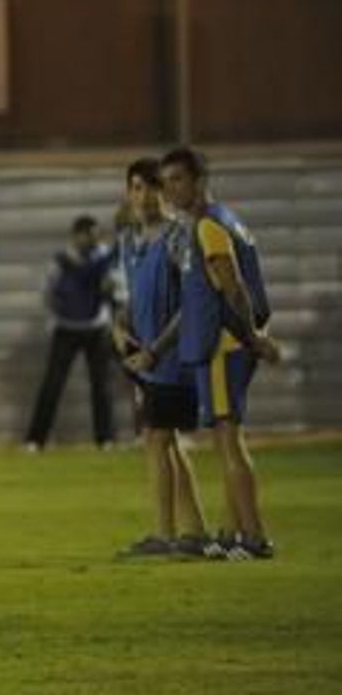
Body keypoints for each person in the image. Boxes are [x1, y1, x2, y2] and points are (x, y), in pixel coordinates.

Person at [156, 148, 281, 560]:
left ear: (200, 180)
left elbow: (234, 288)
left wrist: (254, 339)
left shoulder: (209, 225)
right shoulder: (226, 219)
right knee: (227, 440)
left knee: (228, 441)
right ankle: (230, 533)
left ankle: (254, 537)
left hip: (223, 346)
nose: (169, 189)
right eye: (165, 181)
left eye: (177, 179)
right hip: (229, 344)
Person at [112, 158, 209, 558]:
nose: (146, 195)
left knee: (157, 440)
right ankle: (195, 532)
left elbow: (191, 304)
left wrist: (156, 350)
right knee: (167, 443)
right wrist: (119, 325)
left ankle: (166, 535)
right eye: (137, 187)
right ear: (128, 194)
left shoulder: (178, 238)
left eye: (153, 186)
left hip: (173, 360)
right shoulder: (129, 242)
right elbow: (134, 298)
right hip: (147, 362)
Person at [24, 216, 118, 450]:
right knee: (52, 386)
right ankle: (35, 440)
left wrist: (110, 290)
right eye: (88, 235)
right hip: (65, 328)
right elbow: (45, 290)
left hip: (97, 327)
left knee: (101, 386)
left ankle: (105, 439)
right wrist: (56, 312)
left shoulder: (105, 257)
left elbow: (115, 287)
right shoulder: (60, 259)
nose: (93, 240)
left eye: (95, 236)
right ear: (76, 235)